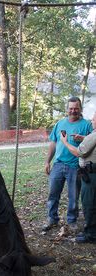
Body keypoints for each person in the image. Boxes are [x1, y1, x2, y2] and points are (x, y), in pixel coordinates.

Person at [43, 96, 93, 232]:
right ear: (67, 109)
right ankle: (52, 219)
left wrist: (82, 138)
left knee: (73, 196)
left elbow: (92, 142)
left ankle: (72, 220)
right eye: (71, 108)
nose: (73, 111)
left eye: (76, 108)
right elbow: (53, 143)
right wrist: (47, 161)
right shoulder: (60, 124)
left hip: (75, 166)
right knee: (53, 194)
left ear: (80, 108)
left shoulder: (87, 124)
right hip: (58, 164)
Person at [60, 111, 96, 244]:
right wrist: (83, 138)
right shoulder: (92, 135)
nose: (91, 121)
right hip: (92, 174)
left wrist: (65, 142)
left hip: (91, 175)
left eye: (93, 119)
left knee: (89, 204)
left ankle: (91, 234)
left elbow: (78, 152)